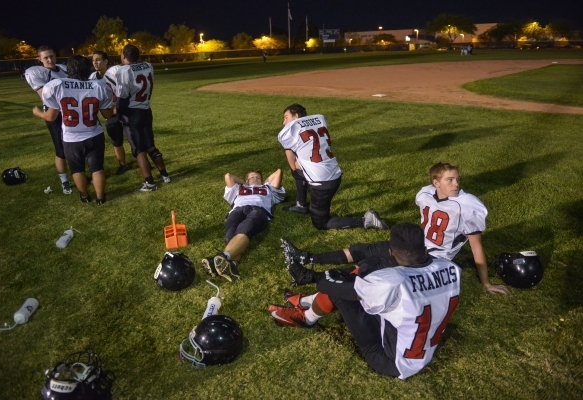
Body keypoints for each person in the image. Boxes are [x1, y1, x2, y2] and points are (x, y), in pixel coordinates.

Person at [281, 162, 509, 295]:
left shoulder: (469, 206)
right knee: (363, 249)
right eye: (450, 180)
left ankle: (310, 276)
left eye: (457, 179)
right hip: (413, 246)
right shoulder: (425, 194)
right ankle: (305, 257)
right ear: (435, 183)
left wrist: (486, 283)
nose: (456, 184)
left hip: (432, 259)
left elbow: (476, 247)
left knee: (371, 267)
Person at [269, 223, 462, 379]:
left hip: (389, 360)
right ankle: (307, 301)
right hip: (422, 348)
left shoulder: (391, 282)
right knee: (359, 281)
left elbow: (328, 286)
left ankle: (306, 318)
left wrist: (328, 275)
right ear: (425, 248)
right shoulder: (452, 268)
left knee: (341, 289)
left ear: (392, 252)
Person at [277, 103, 387, 231]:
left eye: (286, 117)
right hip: (334, 171)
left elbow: (294, 165)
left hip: (322, 183)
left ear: (296, 116)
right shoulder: (319, 119)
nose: (284, 122)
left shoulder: (289, 132)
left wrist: (293, 153)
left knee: (320, 223)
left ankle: (366, 220)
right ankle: (300, 204)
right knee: (298, 173)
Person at [32, 55, 114, 205]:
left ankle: (84, 196)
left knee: (77, 170)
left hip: (71, 137)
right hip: (94, 133)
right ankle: (100, 198)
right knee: (97, 168)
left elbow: (51, 117)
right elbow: (106, 114)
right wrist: (115, 110)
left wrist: (38, 113)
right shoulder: (100, 86)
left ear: (69, 69)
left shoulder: (56, 85)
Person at [202, 169, 285, 282]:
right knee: (230, 235)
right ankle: (231, 266)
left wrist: (263, 182)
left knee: (245, 228)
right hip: (237, 210)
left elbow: (278, 172)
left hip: (258, 209)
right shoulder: (239, 188)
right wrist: (245, 183)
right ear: (246, 180)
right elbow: (228, 176)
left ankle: (224, 257)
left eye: (257, 177)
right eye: (252, 177)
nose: (255, 178)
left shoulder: (267, 188)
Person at [115, 44, 170, 192]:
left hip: (132, 113)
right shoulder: (148, 65)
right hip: (146, 109)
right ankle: (164, 175)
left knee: (139, 149)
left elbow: (123, 97)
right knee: (150, 144)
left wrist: (119, 115)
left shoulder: (124, 70)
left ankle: (150, 183)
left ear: (124, 56)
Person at [25, 46, 72, 194]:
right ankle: (64, 181)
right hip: (55, 115)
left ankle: (80, 173)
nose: (50, 60)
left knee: (75, 147)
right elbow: (45, 97)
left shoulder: (64, 68)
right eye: (46, 58)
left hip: (71, 112)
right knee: (60, 150)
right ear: (40, 60)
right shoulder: (37, 73)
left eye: (51, 56)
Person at [89, 50, 129, 176]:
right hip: (110, 113)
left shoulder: (115, 71)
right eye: (93, 60)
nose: (95, 62)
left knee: (133, 137)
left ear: (106, 61)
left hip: (124, 108)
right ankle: (122, 164)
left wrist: (118, 105)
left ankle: (142, 158)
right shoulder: (92, 77)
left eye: (98, 59)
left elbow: (126, 88)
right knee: (115, 138)